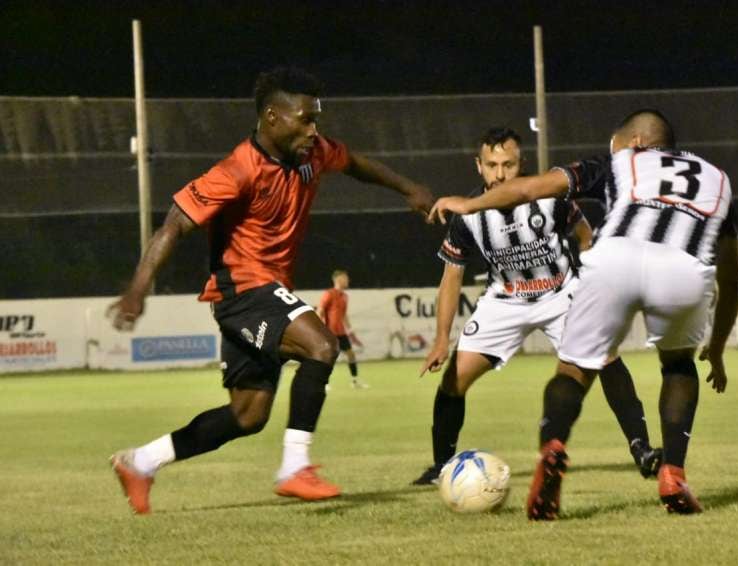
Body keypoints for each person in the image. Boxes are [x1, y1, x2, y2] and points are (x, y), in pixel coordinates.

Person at [107, 65, 433, 514]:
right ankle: (294, 467)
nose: (314, 129)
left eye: (316, 118)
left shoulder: (313, 152)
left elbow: (355, 163)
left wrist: (408, 188)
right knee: (321, 345)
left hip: (265, 292)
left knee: (248, 415)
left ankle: (140, 462)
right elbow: (174, 224)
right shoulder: (238, 170)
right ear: (273, 118)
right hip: (242, 292)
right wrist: (137, 289)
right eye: (305, 119)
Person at [429, 110, 738, 519]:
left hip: (615, 257)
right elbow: (733, 275)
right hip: (683, 267)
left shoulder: (617, 162)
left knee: (573, 371)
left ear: (635, 144)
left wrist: (468, 203)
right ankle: (673, 473)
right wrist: (716, 347)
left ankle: (555, 447)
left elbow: (529, 191)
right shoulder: (717, 179)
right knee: (678, 365)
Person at [412, 126, 661, 486]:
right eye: (492, 165)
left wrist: (592, 279)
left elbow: (584, 235)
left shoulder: (550, 199)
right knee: (454, 379)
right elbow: (451, 277)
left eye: (509, 165)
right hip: (505, 300)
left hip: (561, 295)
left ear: (522, 164)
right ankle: (441, 468)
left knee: (605, 356)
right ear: (478, 165)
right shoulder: (467, 216)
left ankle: (641, 448)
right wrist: (440, 339)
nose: (500, 173)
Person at [316, 269, 368, 389]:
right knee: (327, 358)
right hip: (329, 332)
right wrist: (319, 330)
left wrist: (350, 329)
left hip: (341, 333)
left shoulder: (345, 296)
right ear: (338, 279)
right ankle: (324, 383)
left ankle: (354, 381)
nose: (348, 280)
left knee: (351, 355)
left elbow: (344, 315)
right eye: (345, 278)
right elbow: (320, 311)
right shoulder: (328, 294)